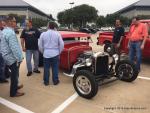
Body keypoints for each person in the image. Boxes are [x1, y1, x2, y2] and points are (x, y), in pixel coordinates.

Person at [0, 16, 24, 97]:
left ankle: (15, 86)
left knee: (15, 74)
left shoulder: (4, 31)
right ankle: (13, 92)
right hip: (12, 58)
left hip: (6, 56)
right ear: (10, 22)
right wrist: (19, 58)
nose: (15, 22)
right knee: (14, 75)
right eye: (14, 21)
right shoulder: (10, 33)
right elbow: (14, 48)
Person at [38, 21, 64, 86]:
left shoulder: (43, 34)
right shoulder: (57, 34)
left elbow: (40, 45)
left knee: (46, 68)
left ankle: (46, 82)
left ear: (48, 26)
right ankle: (55, 81)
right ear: (54, 26)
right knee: (55, 68)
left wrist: (43, 52)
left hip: (46, 53)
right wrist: (59, 52)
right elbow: (62, 44)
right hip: (55, 53)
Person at [0, 19, 8, 83]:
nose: (3, 26)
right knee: (2, 65)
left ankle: (6, 74)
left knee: (4, 65)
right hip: (1, 51)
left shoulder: (2, 31)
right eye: (2, 24)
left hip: (3, 51)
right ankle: (2, 78)